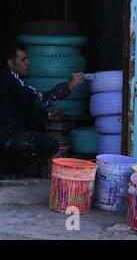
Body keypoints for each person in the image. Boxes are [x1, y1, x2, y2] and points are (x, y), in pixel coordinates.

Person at [0, 44, 84, 179]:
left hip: (5, 134)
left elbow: (19, 112)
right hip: (5, 137)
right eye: (23, 59)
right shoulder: (11, 78)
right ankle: (47, 177)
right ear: (11, 62)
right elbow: (39, 100)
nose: (28, 63)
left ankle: (9, 172)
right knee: (50, 144)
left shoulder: (6, 80)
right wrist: (69, 86)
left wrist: (48, 115)